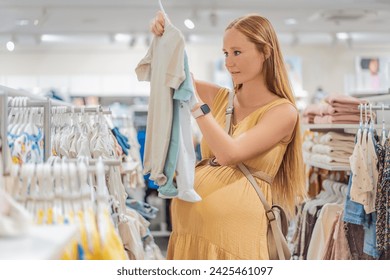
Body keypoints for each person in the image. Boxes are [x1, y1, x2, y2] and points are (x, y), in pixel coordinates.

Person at [150, 11, 306, 260]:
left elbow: (229, 153)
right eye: (225, 53)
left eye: (237, 52)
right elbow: (165, 77)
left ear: (265, 51)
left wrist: (196, 106)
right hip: (190, 235)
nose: (228, 62)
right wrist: (164, 39)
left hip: (235, 244)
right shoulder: (223, 97)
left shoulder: (283, 112)